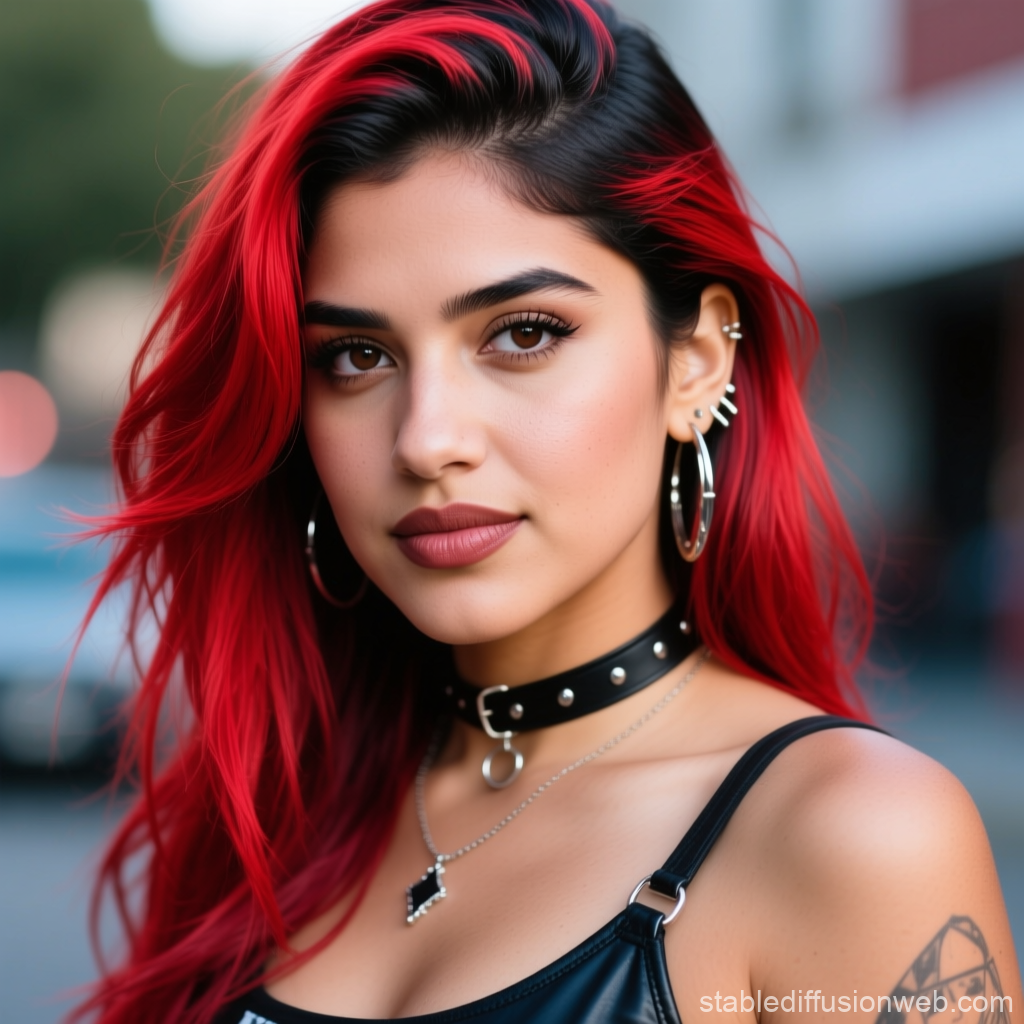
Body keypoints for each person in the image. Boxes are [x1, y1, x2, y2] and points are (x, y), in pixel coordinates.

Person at [77, 2, 1021, 1022]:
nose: (426, 438)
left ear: (695, 362)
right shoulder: (287, 795)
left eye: (522, 333)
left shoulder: (854, 834)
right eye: (356, 357)